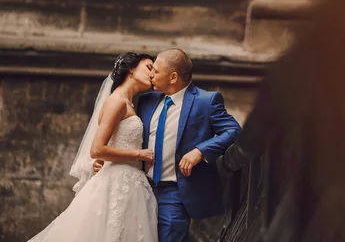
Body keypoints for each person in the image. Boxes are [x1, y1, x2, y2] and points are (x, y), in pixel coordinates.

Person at [96, 48, 241, 242]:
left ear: (173, 77)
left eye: (155, 70)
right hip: (138, 188)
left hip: (174, 193)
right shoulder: (146, 101)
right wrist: (103, 160)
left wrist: (200, 151)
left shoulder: (206, 101)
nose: (151, 74)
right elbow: (122, 134)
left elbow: (233, 130)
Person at [29, 52, 158, 242]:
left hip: (130, 183)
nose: (153, 73)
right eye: (149, 67)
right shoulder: (117, 101)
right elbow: (96, 149)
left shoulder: (129, 103)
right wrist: (139, 154)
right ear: (131, 69)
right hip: (115, 182)